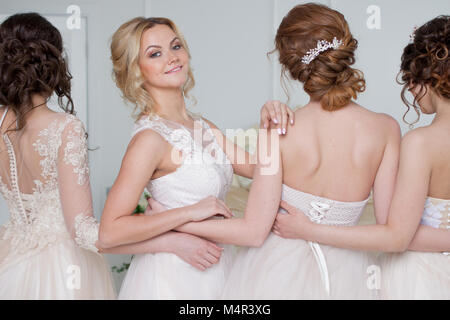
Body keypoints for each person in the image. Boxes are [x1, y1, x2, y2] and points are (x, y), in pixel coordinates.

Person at [148, 3, 399, 299]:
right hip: (353, 273)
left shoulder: (278, 131)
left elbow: (253, 232)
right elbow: (390, 234)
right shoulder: (386, 129)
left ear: (290, 65)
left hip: (276, 272)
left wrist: (179, 220)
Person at [99, 16, 294, 299]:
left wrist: (270, 122)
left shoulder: (202, 128)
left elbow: (262, 170)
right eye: (155, 53)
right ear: (136, 71)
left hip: (218, 265)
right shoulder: (150, 140)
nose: (172, 58)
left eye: (176, 46)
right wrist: (187, 215)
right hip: (174, 277)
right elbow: (109, 232)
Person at [273, 15, 450, 300]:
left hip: (419, 277)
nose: (411, 90)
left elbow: (395, 236)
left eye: (411, 79)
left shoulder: (420, 143)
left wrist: (310, 229)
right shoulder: (390, 132)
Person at [0, 13, 116, 299]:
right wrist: (162, 237)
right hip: (64, 267)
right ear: (54, 62)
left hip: (10, 262)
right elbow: (84, 232)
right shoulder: (65, 127)